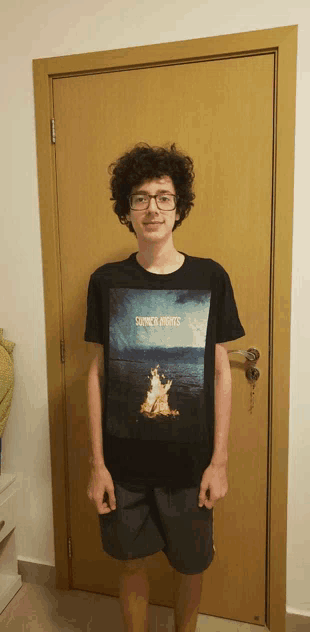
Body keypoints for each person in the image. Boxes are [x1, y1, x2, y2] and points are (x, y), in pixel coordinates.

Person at [84, 143, 245, 632]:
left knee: (191, 567)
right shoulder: (106, 281)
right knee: (130, 563)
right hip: (124, 464)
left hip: (190, 465)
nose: (152, 208)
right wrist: (98, 465)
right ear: (125, 209)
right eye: (139, 198)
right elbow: (98, 373)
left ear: (180, 207)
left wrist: (219, 462)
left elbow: (220, 370)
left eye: (164, 197)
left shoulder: (209, 276)